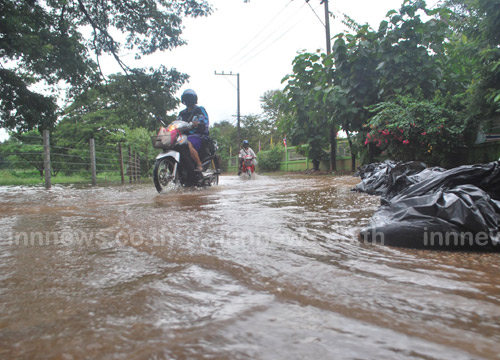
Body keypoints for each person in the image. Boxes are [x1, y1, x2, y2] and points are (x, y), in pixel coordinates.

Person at [178, 89, 209, 171]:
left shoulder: (199, 109)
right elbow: (177, 122)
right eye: (186, 98)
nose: (188, 100)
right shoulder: (182, 113)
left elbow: (205, 120)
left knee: (188, 143)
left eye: (189, 98)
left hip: (198, 135)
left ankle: (199, 164)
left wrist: (198, 123)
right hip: (183, 136)